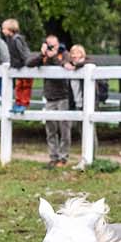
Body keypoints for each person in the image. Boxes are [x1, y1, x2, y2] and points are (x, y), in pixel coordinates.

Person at [26, 35, 73, 167]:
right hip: (50, 97)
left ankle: (63, 158)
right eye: (49, 44)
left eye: (54, 45)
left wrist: (53, 56)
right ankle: (53, 157)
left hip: (63, 96)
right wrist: (42, 55)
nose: (52, 47)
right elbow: (29, 63)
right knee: (50, 129)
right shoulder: (44, 56)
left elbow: (63, 67)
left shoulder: (64, 55)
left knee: (64, 129)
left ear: (59, 44)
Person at [2, 19, 32, 115]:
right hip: (18, 67)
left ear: (10, 29)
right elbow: (12, 54)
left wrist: (26, 65)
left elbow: (22, 53)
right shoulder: (9, 39)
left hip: (25, 66)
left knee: (26, 85)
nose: (2, 31)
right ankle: (18, 103)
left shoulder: (16, 39)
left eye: (4, 29)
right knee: (19, 86)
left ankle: (24, 104)